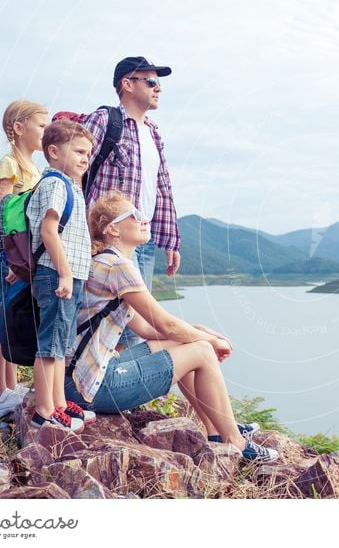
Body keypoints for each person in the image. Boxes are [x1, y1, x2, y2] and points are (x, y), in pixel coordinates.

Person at [63, 191, 278, 462]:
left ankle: (217, 430)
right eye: (135, 215)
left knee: (189, 344)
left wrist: (199, 330)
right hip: (91, 387)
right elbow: (164, 324)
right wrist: (211, 341)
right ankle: (236, 442)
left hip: (79, 379)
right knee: (201, 351)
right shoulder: (117, 265)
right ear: (113, 229)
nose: (144, 219)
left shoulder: (108, 261)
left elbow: (147, 328)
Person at [81, 56, 181, 290]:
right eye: (151, 81)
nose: (158, 88)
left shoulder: (153, 132)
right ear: (127, 84)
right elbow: (71, 170)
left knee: (134, 320)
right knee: (123, 319)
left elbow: (162, 188)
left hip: (142, 239)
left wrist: (171, 240)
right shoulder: (104, 120)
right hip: (110, 237)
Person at [26, 120, 97, 432]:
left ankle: (57, 403)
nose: (85, 158)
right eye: (79, 151)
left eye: (88, 153)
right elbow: (49, 231)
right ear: (53, 152)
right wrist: (66, 274)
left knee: (61, 344)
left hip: (68, 274)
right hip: (57, 273)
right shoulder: (55, 184)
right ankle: (45, 411)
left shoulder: (71, 185)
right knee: (51, 344)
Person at [0, 101, 48, 419]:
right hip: (8, 251)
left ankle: (8, 387)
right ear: (19, 128)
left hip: (18, 253)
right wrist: (13, 255)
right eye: (40, 125)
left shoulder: (32, 166)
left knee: (8, 316)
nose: (45, 131)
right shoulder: (10, 163)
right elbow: (4, 209)